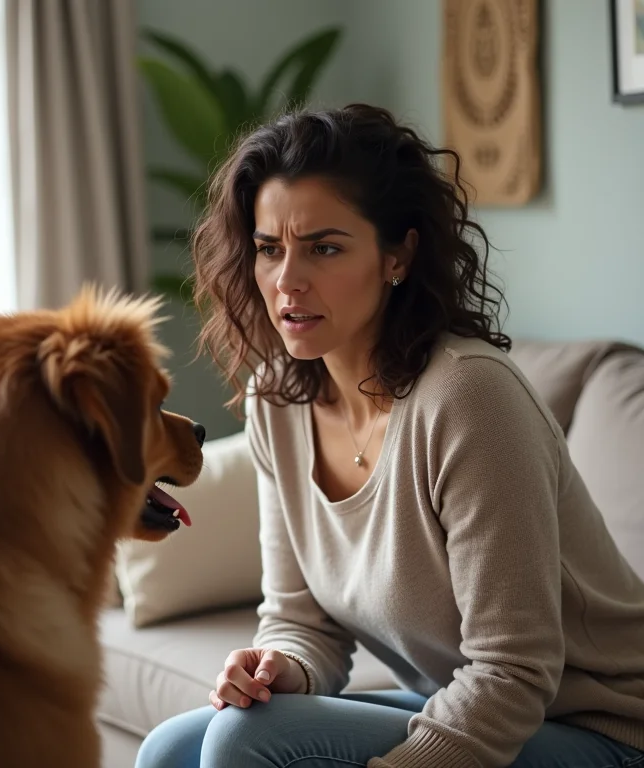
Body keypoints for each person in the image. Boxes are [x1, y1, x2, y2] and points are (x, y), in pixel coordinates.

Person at [136, 104, 644, 768]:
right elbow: (301, 622)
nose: (287, 280)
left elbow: (513, 671)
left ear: (397, 255)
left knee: (242, 743)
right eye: (269, 249)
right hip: (462, 700)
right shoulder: (276, 402)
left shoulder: (468, 398)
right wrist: (272, 667)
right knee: (172, 748)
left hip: (602, 729)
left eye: (323, 247)